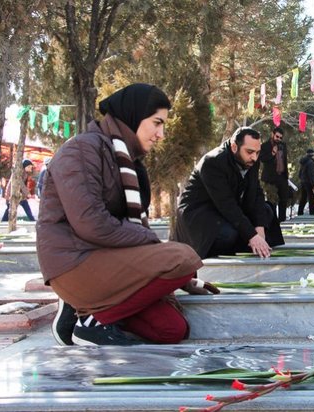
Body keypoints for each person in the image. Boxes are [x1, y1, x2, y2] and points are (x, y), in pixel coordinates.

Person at [36, 84, 216, 347]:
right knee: (184, 256)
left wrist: (182, 279)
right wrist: (162, 254)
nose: (161, 134)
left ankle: (90, 313)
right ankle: (90, 320)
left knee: (171, 329)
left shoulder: (128, 162)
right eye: (156, 123)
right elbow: (91, 224)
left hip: (108, 262)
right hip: (75, 263)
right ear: (133, 115)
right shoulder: (82, 150)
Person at [174, 127, 285, 259]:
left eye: (257, 152)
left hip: (225, 212)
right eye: (249, 152)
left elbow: (256, 193)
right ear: (234, 147)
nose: (254, 157)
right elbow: (226, 204)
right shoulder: (212, 162)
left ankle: (248, 242)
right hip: (201, 214)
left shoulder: (252, 160)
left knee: (267, 211)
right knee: (227, 234)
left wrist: (259, 229)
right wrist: (251, 235)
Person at [259, 126, 289, 222]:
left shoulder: (283, 146)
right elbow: (262, 159)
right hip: (270, 178)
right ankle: (273, 221)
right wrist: (272, 153)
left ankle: (282, 220)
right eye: (277, 136)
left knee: (283, 199)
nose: (278, 139)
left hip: (282, 177)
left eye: (280, 138)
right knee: (272, 200)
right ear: (272, 134)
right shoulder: (265, 146)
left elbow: (285, 160)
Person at [297, 148, 314, 216]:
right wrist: (313, 185)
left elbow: (299, 174)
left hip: (303, 182)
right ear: (313, 155)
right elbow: (311, 174)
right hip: (309, 183)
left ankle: (300, 212)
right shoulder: (311, 163)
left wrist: (302, 179)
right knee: (311, 198)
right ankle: (312, 212)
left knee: (303, 197)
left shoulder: (303, 162)